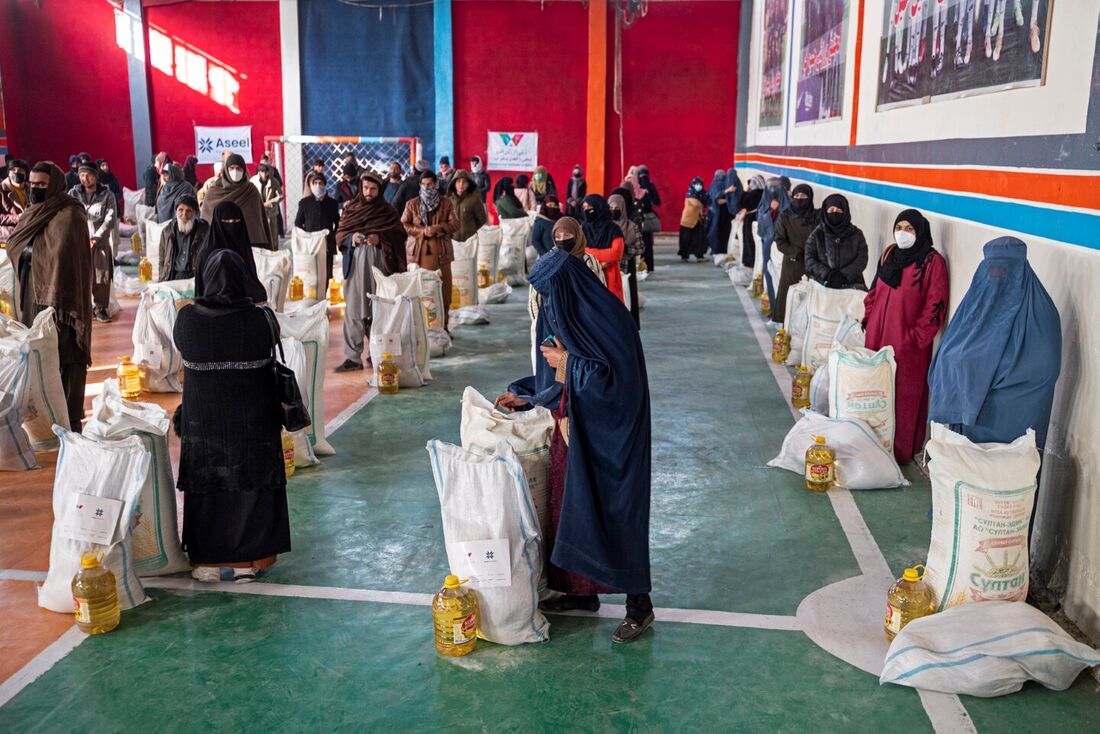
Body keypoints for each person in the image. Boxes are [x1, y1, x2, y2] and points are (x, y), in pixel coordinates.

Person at [495, 246, 654, 644]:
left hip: (613, 441)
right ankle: (581, 593)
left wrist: (565, 364)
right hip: (578, 432)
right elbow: (570, 372)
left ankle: (640, 606)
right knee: (571, 508)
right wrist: (530, 393)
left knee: (615, 514)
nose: (547, 303)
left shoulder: (609, 320)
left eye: (549, 294)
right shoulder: (576, 314)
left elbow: (613, 383)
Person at [173, 249, 291, 583]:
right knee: (250, 484)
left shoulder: (187, 319)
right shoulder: (259, 320)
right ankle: (249, 560)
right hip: (252, 422)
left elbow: (181, 350)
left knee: (208, 486)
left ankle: (207, 561)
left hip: (203, 422)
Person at [929, 235, 1060, 451]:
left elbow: (1046, 367)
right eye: (991, 269)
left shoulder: (1040, 311)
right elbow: (950, 348)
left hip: (1016, 417)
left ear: (1022, 268)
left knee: (1005, 477)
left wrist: (992, 387)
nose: (996, 275)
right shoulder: (976, 303)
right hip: (970, 419)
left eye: (1005, 269)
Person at [8, 162, 92, 431]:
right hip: (33, 295)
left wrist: (33, 252)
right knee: (41, 354)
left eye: (41, 185)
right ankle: (45, 417)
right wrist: (29, 253)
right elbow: (15, 244)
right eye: (32, 184)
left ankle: (70, 417)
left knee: (66, 354)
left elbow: (62, 256)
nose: (35, 189)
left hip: (64, 300)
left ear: (54, 184)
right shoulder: (33, 213)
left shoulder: (70, 215)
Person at [863, 209, 949, 464]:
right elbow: (873, 291)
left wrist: (916, 338)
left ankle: (899, 453)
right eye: (899, 227)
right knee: (875, 394)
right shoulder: (890, 254)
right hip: (876, 338)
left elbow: (937, 303)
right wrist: (869, 319)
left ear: (920, 231)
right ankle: (872, 446)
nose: (903, 233)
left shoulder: (931, 262)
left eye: (909, 228)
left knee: (904, 398)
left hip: (907, 345)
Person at [334, 172, 408, 372]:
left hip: (380, 268)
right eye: (366, 188)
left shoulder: (388, 212)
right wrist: (351, 239)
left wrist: (380, 239)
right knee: (354, 311)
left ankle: (377, 353)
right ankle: (352, 358)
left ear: (379, 190)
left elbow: (400, 236)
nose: (368, 192)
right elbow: (340, 235)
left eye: (373, 189)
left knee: (379, 310)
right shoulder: (351, 209)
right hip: (355, 268)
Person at [402, 170, 458, 330]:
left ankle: (443, 328)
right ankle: (421, 329)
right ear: (420, 185)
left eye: (430, 184)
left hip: (442, 255)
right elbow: (404, 224)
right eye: (424, 185)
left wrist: (437, 228)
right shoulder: (412, 204)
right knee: (421, 294)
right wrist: (421, 232)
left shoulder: (446, 203)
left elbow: (455, 224)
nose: (427, 188)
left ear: (436, 184)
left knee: (444, 293)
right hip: (418, 256)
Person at [67, 162, 117, 322]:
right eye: (81, 175)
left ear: (96, 176)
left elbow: (110, 219)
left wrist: (96, 237)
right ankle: (82, 308)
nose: (85, 178)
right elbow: (68, 216)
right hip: (79, 243)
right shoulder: (73, 193)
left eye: (88, 175)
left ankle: (101, 308)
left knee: (101, 276)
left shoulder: (107, 195)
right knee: (80, 276)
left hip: (100, 243)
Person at [193, 202, 268, 304]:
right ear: (218, 223)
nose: (232, 225)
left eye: (236, 221)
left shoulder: (241, 245)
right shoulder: (207, 252)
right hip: (214, 306)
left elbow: (250, 279)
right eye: (227, 221)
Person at [199, 154, 270, 249]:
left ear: (244, 170)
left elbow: (258, 222)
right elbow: (206, 222)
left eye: (239, 168)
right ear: (226, 170)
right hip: (218, 246)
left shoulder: (251, 191)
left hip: (248, 247)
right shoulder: (214, 192)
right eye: (231, 168)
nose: (235, 172)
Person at [804, 193, 868, 290]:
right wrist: (827, 274)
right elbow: (809, 259)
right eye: (831, 210)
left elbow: (862, 259)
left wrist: (844, 276)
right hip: (822, 287)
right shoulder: (817, 234)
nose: (834, 213)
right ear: (825, 212)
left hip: (851, 288)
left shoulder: (856, 234)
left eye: (838, 210)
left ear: (845, 212)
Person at [772, 184, 817, 323]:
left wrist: (811, 255)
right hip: (792, 264)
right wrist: (795, 253)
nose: (800, 199)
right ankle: (786, 330)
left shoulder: (816, 217)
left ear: (810, 198)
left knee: (810, 300)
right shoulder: (785, 216)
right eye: (796, 196)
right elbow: (780, 240)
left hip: (813, 264)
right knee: (788, 299)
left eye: (803, 196)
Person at [295, 173, 342, 285]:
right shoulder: (304, 203)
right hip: (310, 245)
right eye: (315, 183)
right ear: (311, 185)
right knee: (311, 273)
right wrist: (307, 237)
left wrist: (332, 235)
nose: (318, 185)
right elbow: (298, 223)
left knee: (327, 273)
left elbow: (338, 223)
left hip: (327, 244)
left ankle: (325, 297)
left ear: (325, 185)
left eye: (320, 183)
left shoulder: (332, 203)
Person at [580, 194, 625, 302]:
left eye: (589, 208)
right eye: (584, 208)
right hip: (588, 274)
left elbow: (616, 253)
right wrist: (600, 263)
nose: (586, 211)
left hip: (610, 276)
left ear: (599, 207)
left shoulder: (614, 229)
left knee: (611, 310)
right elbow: (578, 251)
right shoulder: (583, 229)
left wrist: (588, 251)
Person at [756, 178, 792, 305]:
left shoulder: (789, 205)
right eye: (770, 188)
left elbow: (789, 222)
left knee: (781, 277)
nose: (773, 191)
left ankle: (781, 310)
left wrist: (777, 210)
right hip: (767, 245)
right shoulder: (763, 204)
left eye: (776, 188)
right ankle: (773, 307)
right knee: (769, 275)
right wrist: (770, 210)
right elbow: (761, 226)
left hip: (782, 248)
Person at [157, 194, 208, 282]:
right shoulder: (167, 232)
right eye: (180, 210)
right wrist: (163, 279)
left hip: (195, 278)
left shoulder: (204, 231)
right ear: (176, 211)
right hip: (172, 277)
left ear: (195, 213)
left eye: (189, 211)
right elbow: (162, 259)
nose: (184, 214)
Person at [609, 193, 642, 327]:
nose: (614, 210)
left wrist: (626, 250)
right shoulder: (605, 227)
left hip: (627, 268)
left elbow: (640, 248)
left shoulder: (632, 227)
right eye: (611, 207)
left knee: (628, 299)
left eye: (617, 207)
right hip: (609, 269)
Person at [448, 169, 488, 243]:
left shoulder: (474, 199)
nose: (461, 184)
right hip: (452, 241)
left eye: (464, 181)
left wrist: (472, 230)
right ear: (454, 183)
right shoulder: (448, 200)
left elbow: (482, 219)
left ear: (468, 184)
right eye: (458, 181)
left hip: (470, 241)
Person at [634, 165, 661, 272]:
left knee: (639, 243)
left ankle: (640, 266)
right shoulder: (650, 185)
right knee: (647, 244)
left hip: (638, 219)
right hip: (647, 219)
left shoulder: (636, 186)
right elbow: (657, 202)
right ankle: (648, 266)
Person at [678, 177, 710, 262]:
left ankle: (699, 256)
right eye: (696, 184)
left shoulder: (703, 194)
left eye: (700, 184)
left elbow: (709, 201)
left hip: (698, 220)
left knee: (700, 239)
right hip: (688, 221)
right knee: (686, 239)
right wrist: (703, 205)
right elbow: (696, 204)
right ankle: (684, 256)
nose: (698, 186)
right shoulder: (690, 194)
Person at [738, 174, 766, 268]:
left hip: (751, 219)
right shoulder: (765, 193)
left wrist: (746, 190)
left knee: (749, 241)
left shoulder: (753, 193)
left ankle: (749, 262)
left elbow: (741, 202)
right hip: (759, 218)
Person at [253, 164, 283, 250]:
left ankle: (274, 253)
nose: (264, 174)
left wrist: (271, 202)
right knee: (259, 236)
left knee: (273, 236)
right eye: (262, 172)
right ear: (259, 172)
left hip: (271, 213)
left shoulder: (274, 182)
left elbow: (280, 196)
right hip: (258, 213)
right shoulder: (253, 181)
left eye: (266, 172)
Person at [0, 159, 30, 240]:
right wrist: (17, 217)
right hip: (10, 234)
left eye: (20, 170)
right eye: (13, 170)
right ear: (8, 173)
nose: (16, 172)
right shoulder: (2, 190)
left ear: (26, 174)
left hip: (30, 230)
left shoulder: (31, 189)